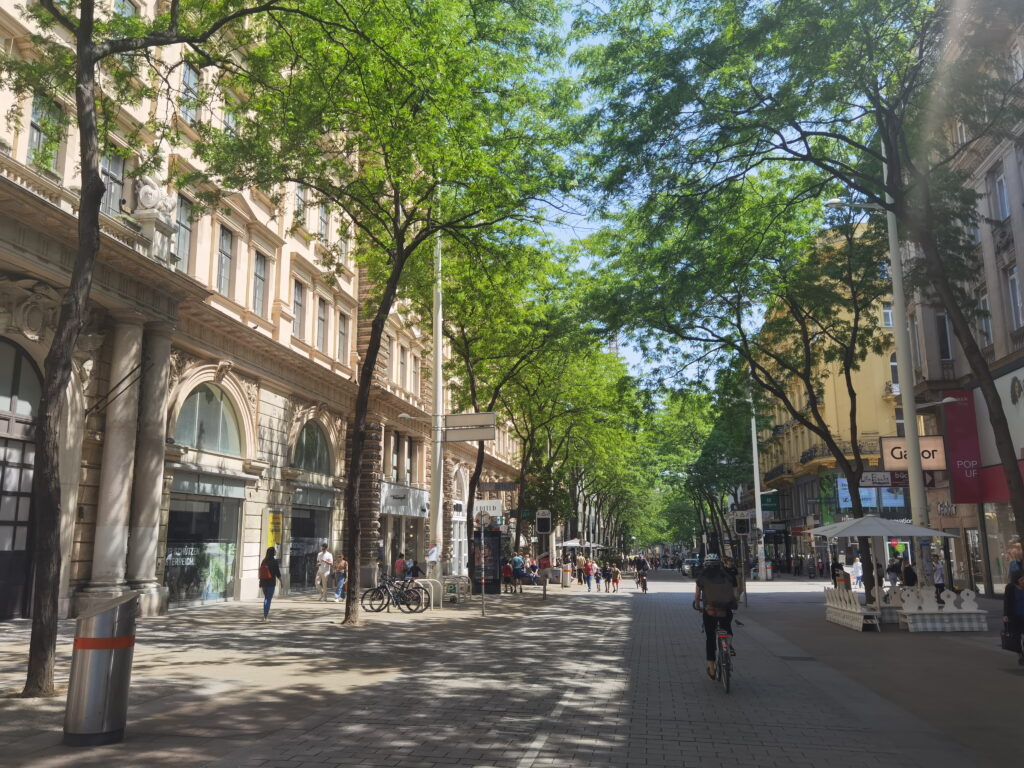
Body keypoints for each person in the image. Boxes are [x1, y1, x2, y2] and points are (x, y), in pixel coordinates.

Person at [693, 554, 738, 679]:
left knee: (710, 638)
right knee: (727, 627)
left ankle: (712, 669)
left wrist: (697, 605)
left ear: (706, 563)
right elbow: (735, 593)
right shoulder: (728, 575)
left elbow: (697, 596)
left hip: (710, 611)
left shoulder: (702, 576)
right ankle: (728, 646)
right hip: (725, 610)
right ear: (719, 563)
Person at [1002, 571, 1024, 665]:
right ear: (1016, 580)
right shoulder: (1010, 587)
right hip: (1014, 617)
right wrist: (1005, 615)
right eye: (1022, 579)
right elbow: (1006, 601)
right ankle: (1020, 654)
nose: (1023, 581)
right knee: (1016, 637)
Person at [258, 546, 283, 621]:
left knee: (266, 598)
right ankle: (265, 616)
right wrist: (281, 581)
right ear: (272, 553)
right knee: (268, 599)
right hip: (271, 582)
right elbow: (277, 573)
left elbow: (261, 572)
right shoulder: (274, 561)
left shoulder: (264, 561)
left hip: (263, 582)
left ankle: (265, 615)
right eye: (275, 551)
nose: (275, 552)